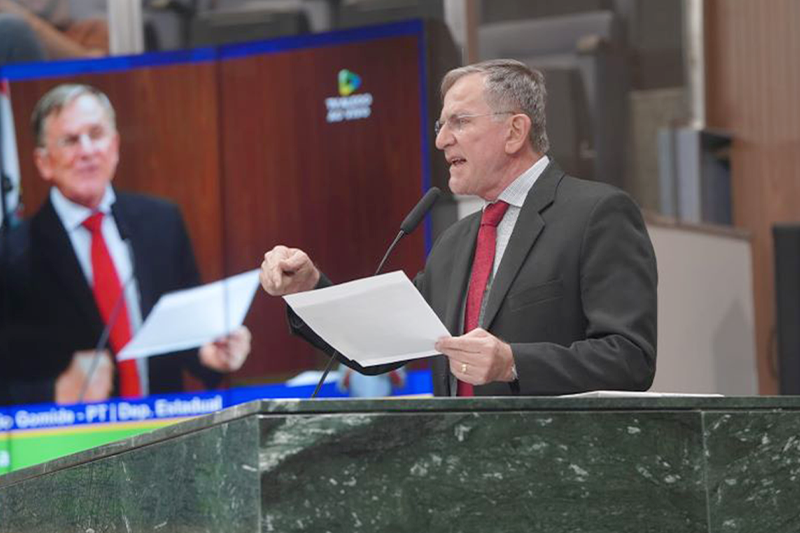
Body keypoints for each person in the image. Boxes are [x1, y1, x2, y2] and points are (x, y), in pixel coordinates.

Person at [260, 59, 657, 397]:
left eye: (460, 122)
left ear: (515, 132)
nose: (442, 140)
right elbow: (377, 345)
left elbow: (629, 358)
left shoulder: (597, 213)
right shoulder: (455, 243)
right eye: (441, 124)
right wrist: (308, 288)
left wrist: (514, 363)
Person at [0, 83, 250, 406]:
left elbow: (184, 332)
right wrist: (53, 392)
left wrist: (212, 352)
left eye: (97, 134)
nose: (87, 151)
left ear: (115, 146)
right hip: (70, 445)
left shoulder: (162, 222)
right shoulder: (13, 254)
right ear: (44, 162)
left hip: (163, 429)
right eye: (70, 140)